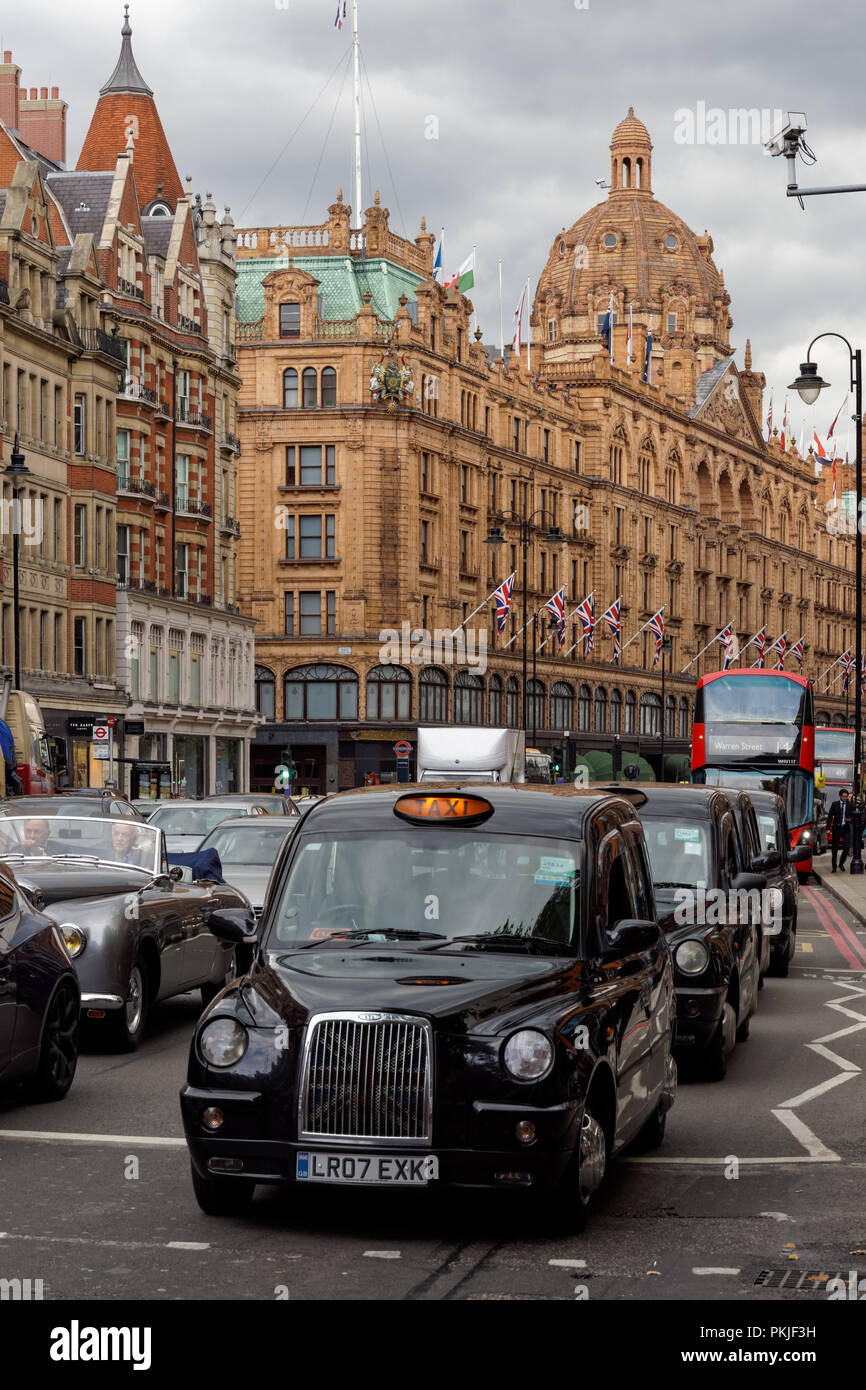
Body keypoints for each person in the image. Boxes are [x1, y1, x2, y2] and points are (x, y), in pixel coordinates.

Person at [827, 788, 852, 873]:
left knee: (846, 847)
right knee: (834, 849)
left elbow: (853, 816)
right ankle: (834, 867)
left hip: (845, 828)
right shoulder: (835, 804)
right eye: (844, 796)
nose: (845, 798)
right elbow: (830, 816)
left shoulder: (850, 805)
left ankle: (841, 863)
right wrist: (828, 829)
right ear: (840, 796)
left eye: (846, 796)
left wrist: (850, 819)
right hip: (836, 828)